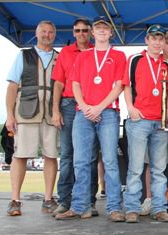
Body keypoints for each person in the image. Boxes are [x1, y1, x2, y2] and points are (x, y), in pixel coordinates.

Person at [55, 16, 126, 222]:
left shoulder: (119, 55)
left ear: (111, 33)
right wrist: (85, 107)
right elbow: (74, 84)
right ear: (92, 33)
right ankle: (80, 206)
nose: (102, 31)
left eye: (106, 28)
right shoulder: (83, 56)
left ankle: (114, 208)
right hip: (83, 113)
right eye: (98, 28)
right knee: (81, 161)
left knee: (110, 161)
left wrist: (99, 107)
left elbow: (119, 86)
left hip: (109, 112)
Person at [5, 20, 59, 216]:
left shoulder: (58, 58)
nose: (47, 34)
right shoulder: (24, 55)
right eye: (43, 31)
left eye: (50, 32)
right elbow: (12, 87)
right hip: (26, 112)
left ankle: (48, 199)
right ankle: (15, 200)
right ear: (36, 34)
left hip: (51, 114)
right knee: (20, 155)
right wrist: (10, 115)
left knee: (51, 155)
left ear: (54, 35)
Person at [122, 24, 168, 223]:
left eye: (160, 39)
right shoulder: (134, 59)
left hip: (160, 122)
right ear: (147, 40)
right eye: (153, 38)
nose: (157, 42)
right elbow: (126, 86)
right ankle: (132, 209)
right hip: (139, 120)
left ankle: (159, 208)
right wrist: (130, 108)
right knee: (135, 168)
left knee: (159, 170)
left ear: (163, 43)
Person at [51, 18, 100, 217]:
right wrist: (55, 110)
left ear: (91, 32)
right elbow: (58, 84)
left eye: (84, 30)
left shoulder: (98, 52)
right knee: (68, 156)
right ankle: (65, 200)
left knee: (91, 156)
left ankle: (89, 201)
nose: (81, 33)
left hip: (91, 106)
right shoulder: (65, 52)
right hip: (69, 105)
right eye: (77, 30)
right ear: (73, 33)